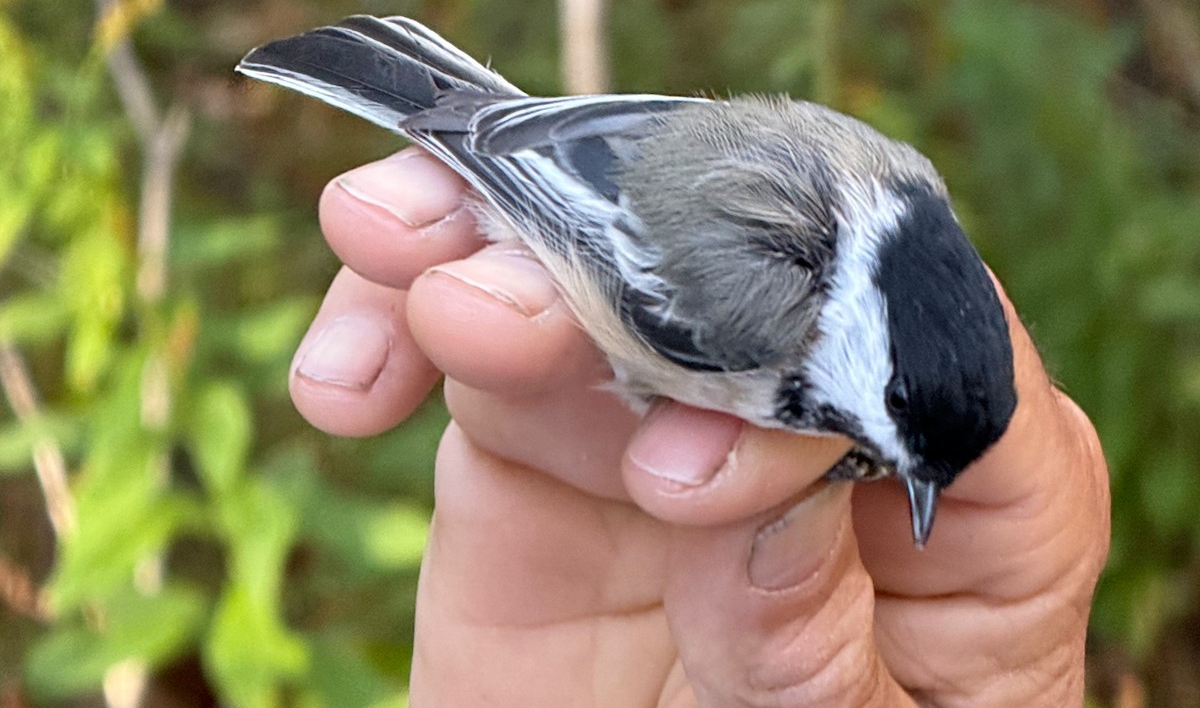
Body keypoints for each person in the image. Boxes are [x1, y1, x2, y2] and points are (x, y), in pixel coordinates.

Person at [288, 147, 1111, 707]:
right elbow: (595, 225)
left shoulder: (901, 190)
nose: (904, 479)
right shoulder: (771, 311)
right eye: (900, 434)